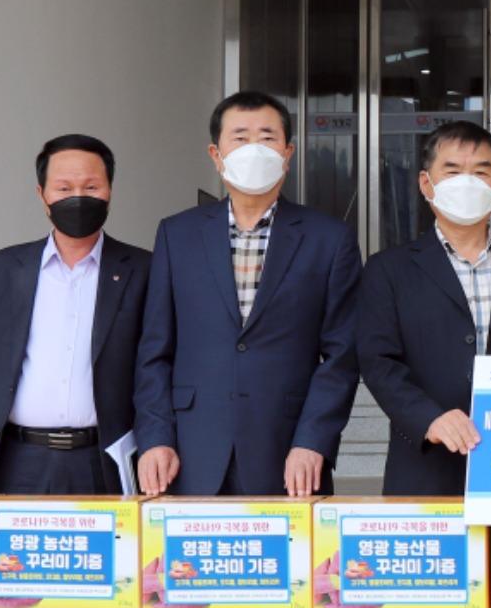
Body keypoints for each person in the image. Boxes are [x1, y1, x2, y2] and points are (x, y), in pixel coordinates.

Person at [133, 91, 361, 497]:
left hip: (289, 452)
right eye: (240, 138)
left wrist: (313, 440)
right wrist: (155, 437)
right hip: (189, 449)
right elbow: (154, 350)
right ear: (216, 154)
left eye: (267, 138)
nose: (254, 149)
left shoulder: (329, 239)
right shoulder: (177, 234)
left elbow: (342, 355)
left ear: (288, 154)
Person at [357, 120, 491, 497]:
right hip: (424, 463)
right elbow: (378, 361)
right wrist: (428, 418)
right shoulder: (388, 270)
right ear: (425, 183)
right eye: (452, 171)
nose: (467, 182)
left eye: (481, 172)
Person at [0, 135, 149, 496]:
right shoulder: (0, 271)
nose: (78, 197)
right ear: (42, 195)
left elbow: (155, 372)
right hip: (17, 461)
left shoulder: (143, 270)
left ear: (109, 191)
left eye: (91, 186)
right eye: (64, 188)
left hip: (104, 462)